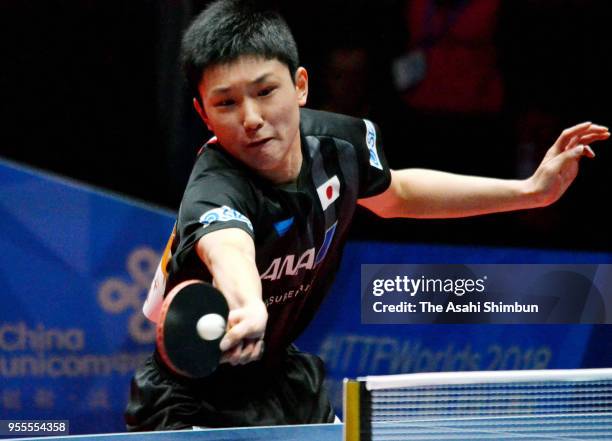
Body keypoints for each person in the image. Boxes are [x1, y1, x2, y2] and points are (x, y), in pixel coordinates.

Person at [125, 0, 609, 431]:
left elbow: (398, 193)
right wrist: (249, 304)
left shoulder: (342, 145)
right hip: (189, 398)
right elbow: (230, 248)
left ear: (300, 86)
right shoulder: (214, 187)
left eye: (264, 91)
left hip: (281, 381)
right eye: (226, 103)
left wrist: (530, 191)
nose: (250, 117)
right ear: (203, 115)